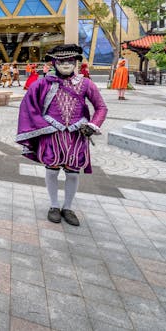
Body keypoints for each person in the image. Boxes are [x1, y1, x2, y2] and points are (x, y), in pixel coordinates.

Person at [16, 44, 108, 226]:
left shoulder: (86, 83)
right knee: (51, 170)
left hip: (77, 135)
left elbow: (101, 107)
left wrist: (93, 125)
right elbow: (27, 105)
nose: (66, 64)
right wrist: (42, 124)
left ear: (76, 62)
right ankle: (54, 205)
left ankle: (68, 207)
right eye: (61, 60)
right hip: (52, 135)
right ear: (54, 62)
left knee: (73, 174)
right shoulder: (43, 83)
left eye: (70, 60)